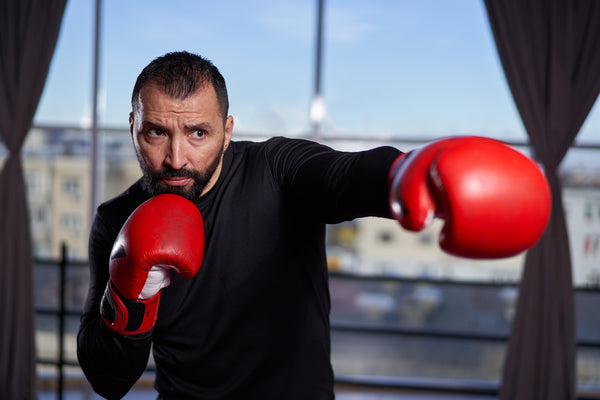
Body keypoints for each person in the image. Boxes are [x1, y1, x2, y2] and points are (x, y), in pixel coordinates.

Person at [77, 51, 551, 400]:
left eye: (197, 133)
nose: (176, 157)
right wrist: (129, 298)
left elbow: (344, 175)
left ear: (227, 131)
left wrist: (412, 172)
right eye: (157, 132)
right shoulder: (116, 219)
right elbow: (109, 380)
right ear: (134, 129)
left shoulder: (276, 168)